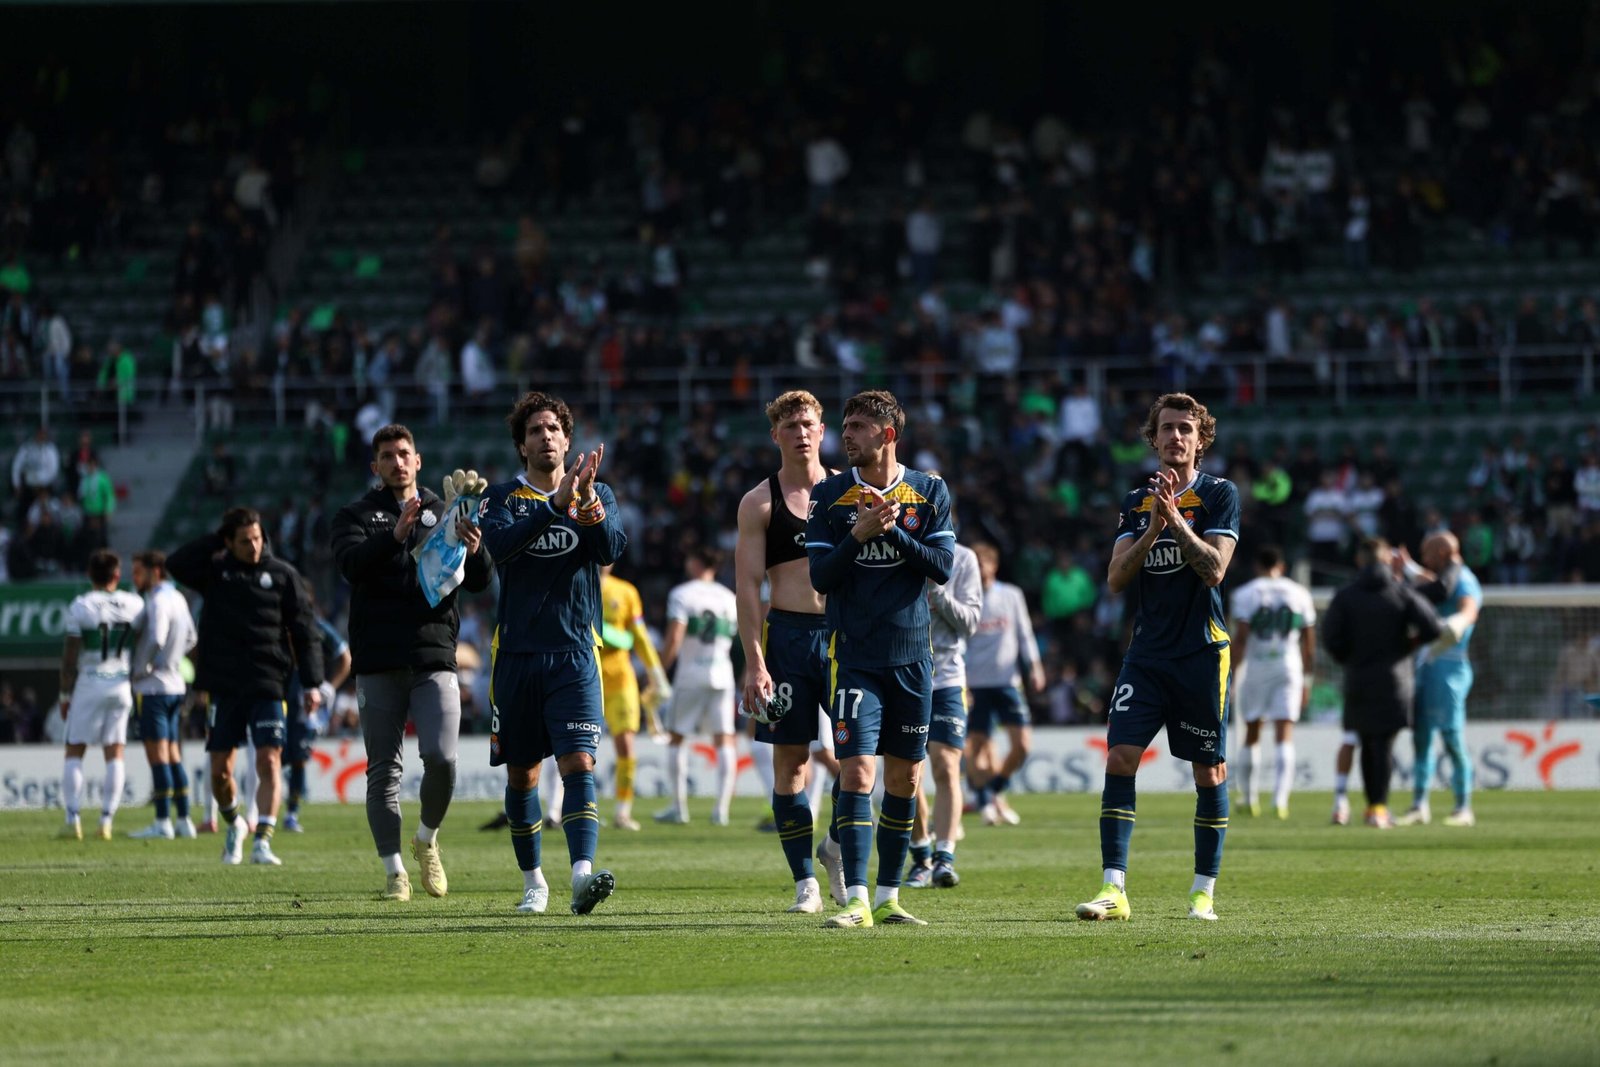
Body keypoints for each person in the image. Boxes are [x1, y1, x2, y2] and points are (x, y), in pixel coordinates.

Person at [1075, 393, 1239, 924]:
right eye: (1166, 428)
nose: (1175, 437)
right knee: (1120, 756)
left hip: (1200, 652)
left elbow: (1214, 569)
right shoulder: (1134, 501)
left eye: (1185, 429)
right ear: (1154, 438)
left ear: (1201, 438)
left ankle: (1202, 892)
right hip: (1146, 655)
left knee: (1207, 771)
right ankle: (1113, 888)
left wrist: (1178, 522)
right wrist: (1151, 529)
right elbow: (1117, 578)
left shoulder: (1219, 495)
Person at [805, 389, 955, 928]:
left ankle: (890, 897)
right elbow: (820, 577)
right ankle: (857, 901)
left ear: (888, 434)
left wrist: (892, 534)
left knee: (905, 781)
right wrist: (859, 535)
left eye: (858, 426)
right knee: (856, 773)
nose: (845, 435)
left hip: (914, 657)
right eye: (844, 426)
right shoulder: (830, 496)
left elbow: (941, 566)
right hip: (855, 656)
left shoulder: (928, 490)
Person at [480, 391, 624, 916]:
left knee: (578, 762)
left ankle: (582, 876)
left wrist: (583, 505)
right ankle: (533, 882)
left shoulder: (598, 491)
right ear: (522, 444)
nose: (546, 437)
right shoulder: (501, 498)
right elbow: (501, 548)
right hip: (516, 653)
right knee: (522, 775)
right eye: (535, 430)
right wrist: (555, 505)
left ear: (568, 439)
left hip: (575, 653)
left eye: (553, 429)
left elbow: (611, 548)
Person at [331, 423, 490, 901]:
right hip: (378, 659)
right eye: (387, 455)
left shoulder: (446, 511)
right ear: (375, 466)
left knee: (442, 758)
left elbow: (480, 581)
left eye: (404, 453)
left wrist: (476, 548)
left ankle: (426, 839)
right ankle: (394, 871)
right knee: (384, 769)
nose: (397, 461)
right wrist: (394, 535)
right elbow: (351, 566)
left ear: (418, 461)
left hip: (433, 654)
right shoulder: (355, 515)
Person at [735, 390, 846, 912]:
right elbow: (748, 586)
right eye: (790, 425)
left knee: (860, 760)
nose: (801, 432)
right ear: (775, 435)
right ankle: (805, 883)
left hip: (846, 636)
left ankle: (835, 846)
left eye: (808, 423)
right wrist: (754, 661)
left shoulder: (850, 492)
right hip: (787, 638)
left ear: (823, 430)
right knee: (792, 764)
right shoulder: (760, 502)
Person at [168, 507, 324, 866]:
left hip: (269, 682)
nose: (254, 547)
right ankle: (234, 823)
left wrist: (313, 683)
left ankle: (263, 840)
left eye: (257, 538)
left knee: (270, 760)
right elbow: (176, 563)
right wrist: (215, 541)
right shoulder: (215, 572)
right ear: (228, 542)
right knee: (220, 770)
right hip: (223, 685)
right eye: (244, 541)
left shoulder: (283, 575)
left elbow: (305, 631)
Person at [1321, 537, 1442, 829]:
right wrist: (1409, 644)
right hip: (1395, 680)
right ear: (1387, 559)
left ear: (1359, 560)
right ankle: (1379, 807)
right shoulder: (1401, 593)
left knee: (1366, 742)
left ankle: (1372, 808)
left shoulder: (1345, 596)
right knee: (1384, 745)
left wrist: (1347, 657)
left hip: (1358, 679)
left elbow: (1330, 638)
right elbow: (1433, 627)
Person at [905, 537, 982, 890]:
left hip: (948, 678)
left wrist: (937, 592)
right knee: (908, 771)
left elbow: (970, 622)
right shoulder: (896, 549)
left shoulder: (963, 559)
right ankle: (921, 854)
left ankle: (944, 857)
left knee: (946, 764)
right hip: (904, 673)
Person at [56, 549, 145, 840]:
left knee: (74, 750)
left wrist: (64, 694)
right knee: (115, 752)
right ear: (117, 575)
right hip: (121, 684)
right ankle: (106, 821)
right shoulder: (135, 604)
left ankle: (73, 820)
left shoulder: (81, 605)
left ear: (89, 575)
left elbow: (70, 658)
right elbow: (144, 638)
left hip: (90, 682)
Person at [1396, 531, 1482, 827]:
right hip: (1426, 665)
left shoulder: (1466, 580)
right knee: (1421, 737)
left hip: (1450, 668)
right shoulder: (1444, 577)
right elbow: (1427, 580)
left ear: (1443, 554)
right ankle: (1419, 804)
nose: (1425, 560)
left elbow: (1469, 610)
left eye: (1428, 555)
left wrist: (1453, 626)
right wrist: (1407, 568)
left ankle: (1463, 807)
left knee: (1451, 737)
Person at [1228, 544, 1316, 820]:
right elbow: (1309, 642)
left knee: (1251, 733)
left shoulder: (1246, 593)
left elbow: (1241, 637)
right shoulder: (1299, 593)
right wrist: (1307, 680)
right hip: (1289, 666)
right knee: (1284, 734)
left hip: (1257, 666)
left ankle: (1250, 798)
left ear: (1257, 566)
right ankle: (1280, 801)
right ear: (1282, 566)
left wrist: (1231, 675)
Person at [964, 540, 1047, 828]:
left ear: (993, 565)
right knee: (978, 749)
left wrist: (1035, 668)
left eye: (982, 562)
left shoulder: (1011, 595)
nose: (978, 568)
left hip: (1008, 682)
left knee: (1021, 746)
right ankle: (988, 802)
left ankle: (991, 793)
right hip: (976, 684)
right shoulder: (966, 598)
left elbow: (1024, 634)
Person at [655, 546, 740, 826]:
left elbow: (675, 637)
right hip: (722, 673)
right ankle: (722, 810)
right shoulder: (728, 597)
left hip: (690, 674)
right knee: (724, 738)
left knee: (677, 737)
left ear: (694, 562)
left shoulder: (682, 594)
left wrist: (658, 671)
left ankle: (679, 808)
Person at [126, 550, 199, 840]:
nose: (135, 578)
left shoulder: (157, 600)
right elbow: (192, 637)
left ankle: (161, 822)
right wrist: (171, 659)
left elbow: (156, 636)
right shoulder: (179, 598)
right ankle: (183, 820)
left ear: (155, 571)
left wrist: (141, 668)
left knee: (157, 757)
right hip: (175, 686)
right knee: (173, 755)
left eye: (138, 571)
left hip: (153, 688)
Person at [598, 562, 669, 831]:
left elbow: (637, 636)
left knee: (626, 745)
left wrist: (657, 676)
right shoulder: (574, 583)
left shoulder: (625, 591)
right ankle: (559, 811)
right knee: (572, 749)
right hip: (584, 676)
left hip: (620, 679)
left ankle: (622, 812)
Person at [279, 587, 351, 834]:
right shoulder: (277, 624)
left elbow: (345, 657)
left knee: (298, 757)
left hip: (305, 697)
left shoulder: (318, 627)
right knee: (273, 754)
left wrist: (330, 687)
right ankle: (262, 813)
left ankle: (291, 813)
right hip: (276, 692)